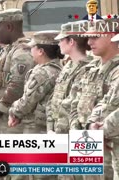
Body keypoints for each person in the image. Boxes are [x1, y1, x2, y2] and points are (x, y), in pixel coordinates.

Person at [68, 19, 119, 180]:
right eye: (88, 37)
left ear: (112, 36)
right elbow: (74, 102)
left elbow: (111, 105)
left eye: (95, 36)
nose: (89, 42)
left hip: (107, 143)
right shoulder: (89, 69)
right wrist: (78, 130)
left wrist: (98, 133)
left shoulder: (115, 70)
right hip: (85, 138)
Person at [8, 30, 62, 180]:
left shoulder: (43, 73)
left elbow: (27, 101)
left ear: (41, 51)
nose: (30, 50)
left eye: (32, 47)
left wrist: (14, 112)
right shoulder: (55, 69)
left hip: (36, 128)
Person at [46, 21, 91, 135]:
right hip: (57, 131)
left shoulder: (88, 69)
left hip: (72, 134)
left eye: (61, 40)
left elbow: (76, 108)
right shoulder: (68, 66)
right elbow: (53, 99)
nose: (59, 44)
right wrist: (50, 128)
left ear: (71, 41)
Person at [87, 31, 119, 179]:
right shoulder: (92, 68)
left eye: (95, 37)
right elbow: (106, 100)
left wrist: (101, 131)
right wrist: (91, 124)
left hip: (106, 139)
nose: (89, 42)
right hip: (93, 135)